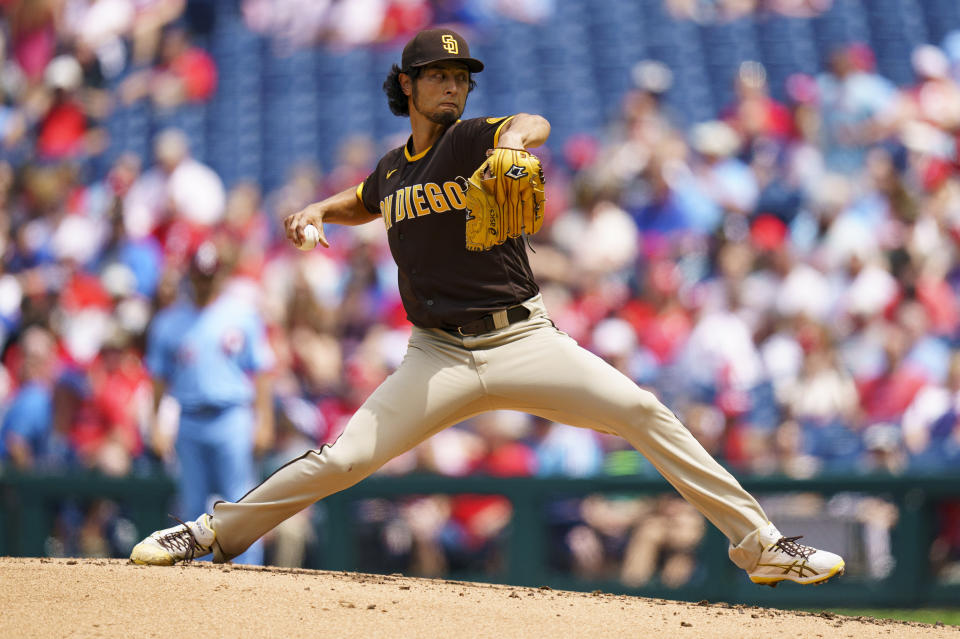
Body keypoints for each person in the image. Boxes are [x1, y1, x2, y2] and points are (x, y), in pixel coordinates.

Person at [130, 27, 845, 586]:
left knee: (644, 412)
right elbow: (368, 199)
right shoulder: (393, 167)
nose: (451, 85)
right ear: (405, 84)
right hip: (436, 354)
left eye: (460, 76)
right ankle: (209, 534)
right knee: (342, 456)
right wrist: (318, 206)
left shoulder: (475, 138)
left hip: (521, 340)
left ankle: (764, 546)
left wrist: (509, 142)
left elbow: (530, 122)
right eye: (437, 75)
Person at [140, 238, 275, 565]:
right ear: (190, 274)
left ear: (221, 275)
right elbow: (158, 378)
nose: (204, 282)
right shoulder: (170, 321)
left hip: (232, 417)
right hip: (189, 418)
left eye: (210, 275)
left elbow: (261, 372)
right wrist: (157, 423)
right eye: (199, 275)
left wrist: (264, 422)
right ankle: (196, 583)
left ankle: (248, 574)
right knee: (192, 506)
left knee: (239, 504)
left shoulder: (241, 314)